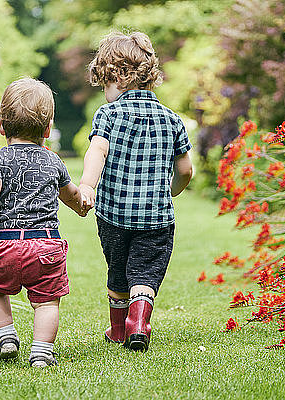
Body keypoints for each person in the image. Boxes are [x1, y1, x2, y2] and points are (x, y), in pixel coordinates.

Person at [0, 78, 85, 367]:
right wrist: (82, 205)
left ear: (1, 126)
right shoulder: (54, 161)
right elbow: (72, 195)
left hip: (5, 245)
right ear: (48, 129)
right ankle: (41, 351)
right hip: (46, 246)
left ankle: (7, 335)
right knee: (47, 301)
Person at [79, 31, 194, 351]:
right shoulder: (172, 119)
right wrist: (171, 191)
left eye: (104, 84)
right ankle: (139, 321)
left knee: (118, 273)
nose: (104, 93)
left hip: (114, 215)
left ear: (115, 76)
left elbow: (97, 151)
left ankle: (118, 330)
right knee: (145, 273)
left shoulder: (108, 114)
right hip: (156, 219)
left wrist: (87, 185)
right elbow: (185, 169)